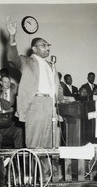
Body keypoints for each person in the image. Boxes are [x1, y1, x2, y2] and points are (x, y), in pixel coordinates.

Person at [6, 17, 62, 148]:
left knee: (52, 144)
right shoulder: (26, 61)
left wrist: (62, 101)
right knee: (36, 144)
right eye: (43, 45)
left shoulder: (51, 65)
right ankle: (35, 169)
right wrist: (12, 37)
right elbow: (12, 59)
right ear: (34, 49)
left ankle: (48, 169)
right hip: (36, 104)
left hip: (52, 105)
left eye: (48, 45)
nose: (47, 47)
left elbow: (57, 87)